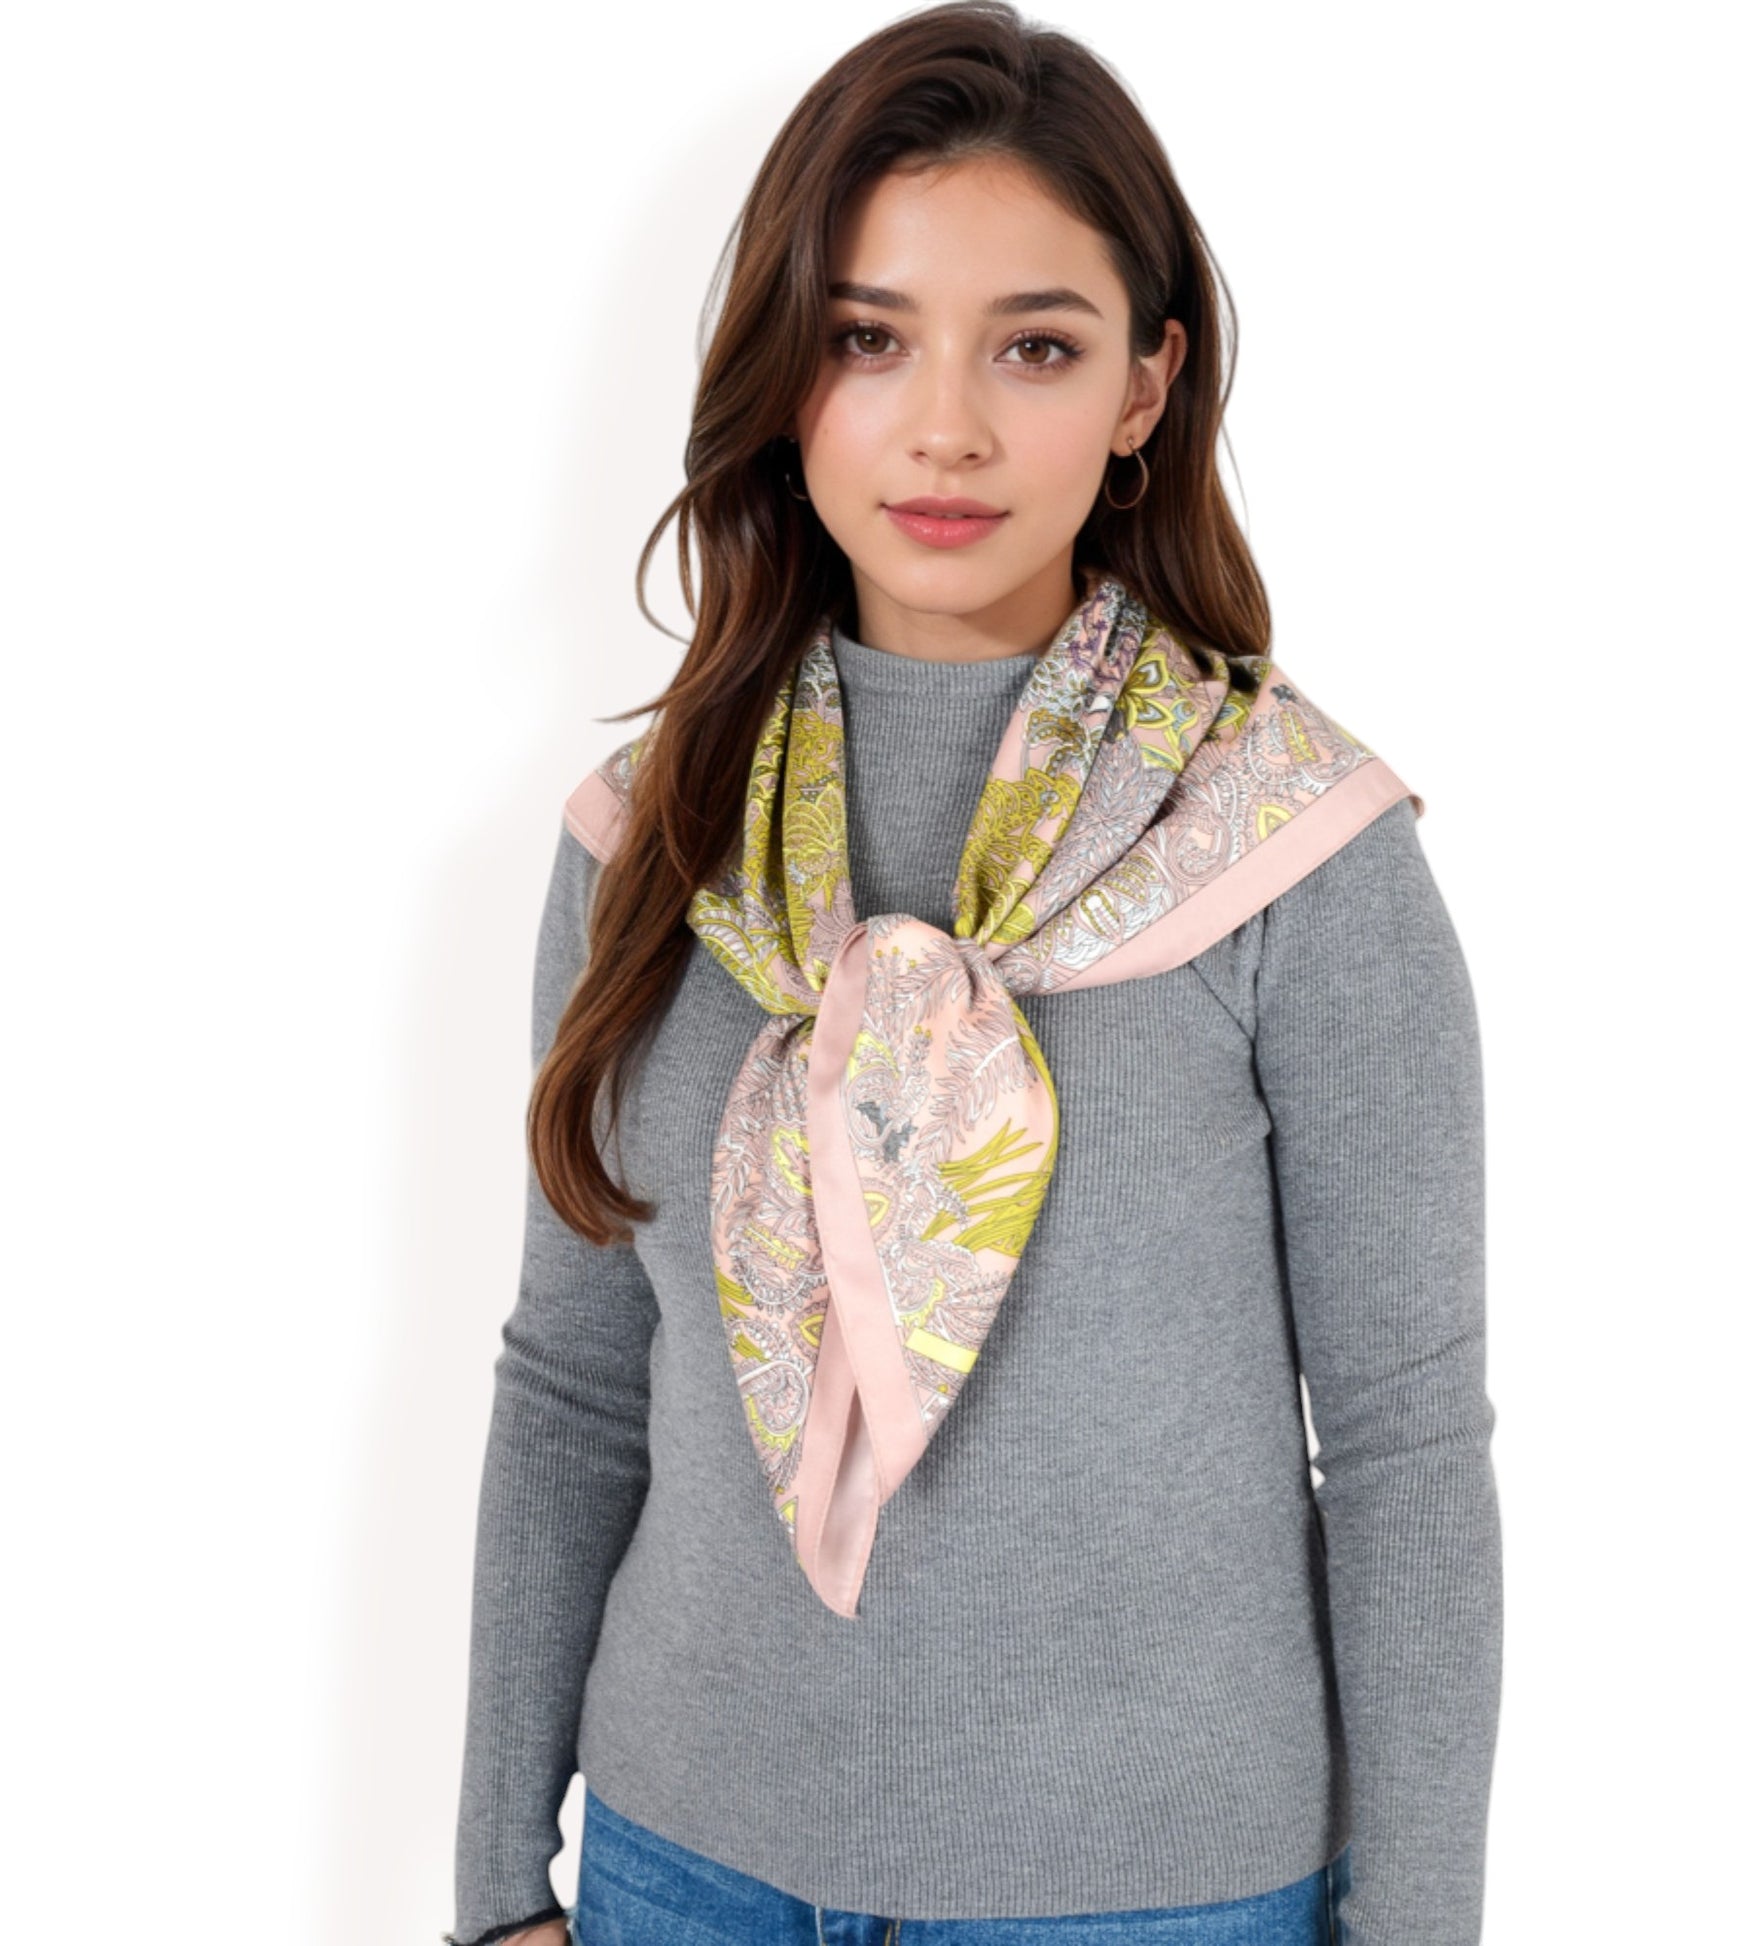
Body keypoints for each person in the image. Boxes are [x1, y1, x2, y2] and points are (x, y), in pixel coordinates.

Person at [443, 5, 1502, 1943]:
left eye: (1035, 346)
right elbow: (572, 1387)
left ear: (1145, 385)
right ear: (786, 372)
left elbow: (1406, 1450)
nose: (946, 427)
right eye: (869, 338)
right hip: (681, 1866)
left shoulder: (1291, 853)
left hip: (1156, 1899)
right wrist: (495, 1889)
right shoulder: (649, 843)